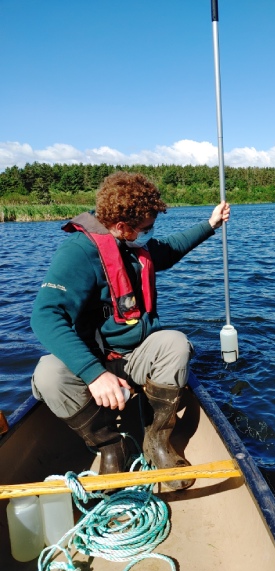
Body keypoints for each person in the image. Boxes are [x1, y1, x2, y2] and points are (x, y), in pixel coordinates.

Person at [30, 171, 230, 491]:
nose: (149, 234)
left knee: (176, 343)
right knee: (48, 375)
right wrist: (94, 374)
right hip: (95, 358)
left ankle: (156, 441)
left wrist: (211, 224)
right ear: (122, 226)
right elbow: (44, 317)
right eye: (146, 228)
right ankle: (111, 445)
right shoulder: (78, 253)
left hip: (135, 355)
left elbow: (171, 248)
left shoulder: (135, 247)